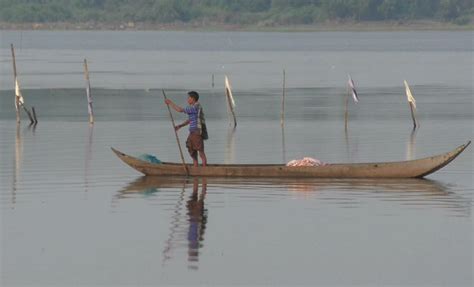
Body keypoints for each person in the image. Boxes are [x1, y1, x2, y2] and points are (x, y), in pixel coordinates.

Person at [165, 91, 207, 167]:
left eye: (189, 98)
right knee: (191, 150)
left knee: (200, 151)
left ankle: (204, 169)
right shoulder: (193, 107)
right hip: (192, 132)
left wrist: (170, 103)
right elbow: (190, 120)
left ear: (193, 99)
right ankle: (195, 167)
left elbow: (180, 110)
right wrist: (180, 126)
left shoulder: (195, 107)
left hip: (196, 132)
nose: (187, 99)